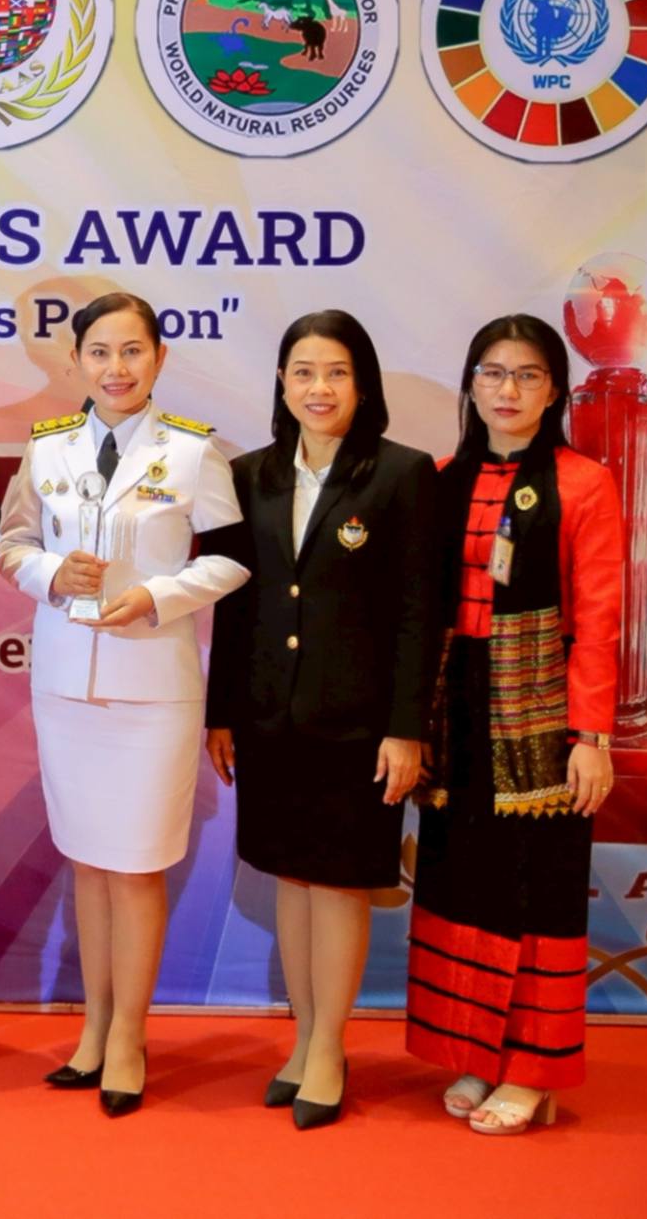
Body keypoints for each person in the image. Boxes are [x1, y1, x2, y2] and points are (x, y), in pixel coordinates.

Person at [0, 291, 246, 1117]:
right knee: (90, 864)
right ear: (75, 360)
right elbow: (10, 543)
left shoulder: (193, 451)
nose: (116, 368)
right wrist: (48, 572)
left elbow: (234, 558)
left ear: (160, 358)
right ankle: (95, 1029)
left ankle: (131, 1038)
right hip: (65, 685)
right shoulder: (49, 447)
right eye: (99, 352)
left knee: (135, 868)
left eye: (132, 351)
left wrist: (160, 596)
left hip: (152, 691)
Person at [202, 310, 438, 1129]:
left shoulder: (401, 474)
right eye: (303, 371)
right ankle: (304, 1041)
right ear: (281, 382)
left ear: (361, 383)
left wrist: (406, 727)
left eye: (336, 372)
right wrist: (222, 712)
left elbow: (418, 614)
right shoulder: (250, 474)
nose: (319, 388)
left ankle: (331, 1048)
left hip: (360, 726)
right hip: (269, 717)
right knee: (292, 880)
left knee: (337, 884)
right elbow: (234, 605)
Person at [406, 314, 622, 1136]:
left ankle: (532, 1069)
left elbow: (599, 619)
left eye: (528, 374)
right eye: (493, 373)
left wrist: (591, 737)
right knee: (464, 877)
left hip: (541, 707)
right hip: (455, 707)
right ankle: (477, 1050)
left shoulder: (585, 483)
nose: (508, 390)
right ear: (470, 383)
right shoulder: (439, 477)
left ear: (554, 389)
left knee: (539, 887)